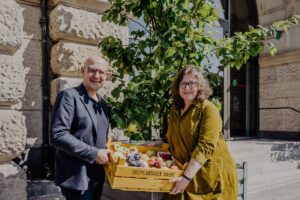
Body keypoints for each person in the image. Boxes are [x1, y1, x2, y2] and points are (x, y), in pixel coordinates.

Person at [147, 65, 238, 200]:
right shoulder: (176, 110)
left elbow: (205, 147)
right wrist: (158, 143)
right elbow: (174, 136)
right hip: (184, 173)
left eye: (192, 83)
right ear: (178, 87)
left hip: (209, 178)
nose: (187, 87)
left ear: (199, 86)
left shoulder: (208, 109)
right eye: (183, 83)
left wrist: (186, 177)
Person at [50, 56, 111, 200]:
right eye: (92, 71)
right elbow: (58, 135)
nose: (97, 76)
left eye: (101, 72)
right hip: (77, 178)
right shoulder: (69, 96)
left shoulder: (103, 104)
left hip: (97, 176)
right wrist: (95, 153)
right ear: (82, 71)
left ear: (106, 75)